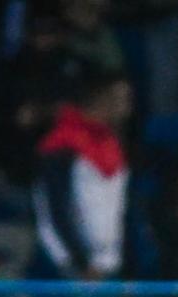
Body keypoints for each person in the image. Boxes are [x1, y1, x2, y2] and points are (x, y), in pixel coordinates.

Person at [33, 74, 132, 280]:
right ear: (101, 99)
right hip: (73, 264)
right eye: (122, 99)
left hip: (107, 261)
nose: (128, 106)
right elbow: (55, 208)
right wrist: (80, 263)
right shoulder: (63, 143)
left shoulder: (111, 141)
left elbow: (116, 206)